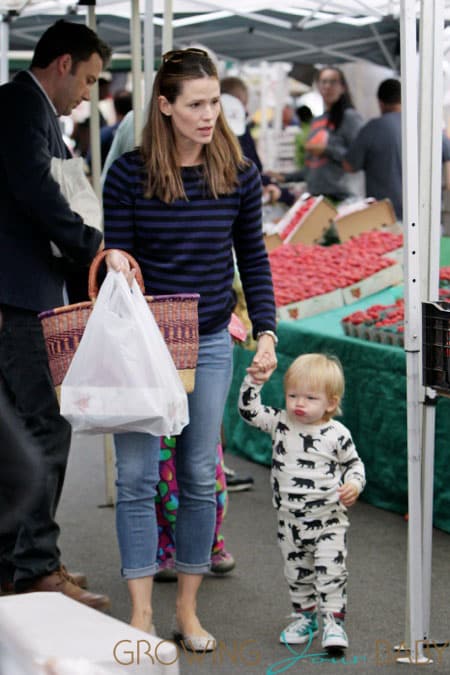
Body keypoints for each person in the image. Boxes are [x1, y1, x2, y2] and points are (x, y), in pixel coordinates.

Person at [103, 47, 278, 648]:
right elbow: (118, 256)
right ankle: (141, 614)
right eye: (197, 105)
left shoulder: (239, 172)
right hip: (141, 347)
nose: (209, 116)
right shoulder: (129, 173)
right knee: (134, 477)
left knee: (200, 474)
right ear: (165, 106)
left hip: (207, 340)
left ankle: (187, 611)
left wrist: (267, 330)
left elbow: (252, 257)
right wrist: (118, 260)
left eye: (215, 104)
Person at [0, 20, 111, 609]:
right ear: (62, 63)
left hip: (23, 291)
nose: (89, 92)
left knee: (20, 430)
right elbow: (39, 193)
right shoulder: (22, 104)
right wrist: (92, 247)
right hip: (18, 296)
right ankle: (35, 566)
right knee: (45, 426)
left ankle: (18, 562)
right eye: (89, 79)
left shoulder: (29, 108)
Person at [238, 353, 365, 650]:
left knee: (331, 572)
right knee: (296, 573)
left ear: (330, 403)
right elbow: (248, 411)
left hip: (328, 520)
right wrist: (253, 382)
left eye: (309, 397)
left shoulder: (337, 434)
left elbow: (354, 464)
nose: (298, 403)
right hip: (289, 521)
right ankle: (305, 618)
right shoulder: (280, 422)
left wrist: (354, 484)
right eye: (292, 394)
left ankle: (334, 623)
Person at [343, 78, 450, 221]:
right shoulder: (425, 126)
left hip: (386, 218)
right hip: (425, 216)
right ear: (404, 99)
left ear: (380, 102)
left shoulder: (372, 129)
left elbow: (349, 165)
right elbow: (447, 152)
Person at [271, 67, 364, 203]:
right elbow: (311, 169)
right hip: (316, 198)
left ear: (343, 87)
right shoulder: (317, 121)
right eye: (323, 82)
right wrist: (284, 177)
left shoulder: (350, 117)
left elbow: (357, 159)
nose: (327, 86)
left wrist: (326, 150)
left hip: (342, 198)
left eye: (333, 82)